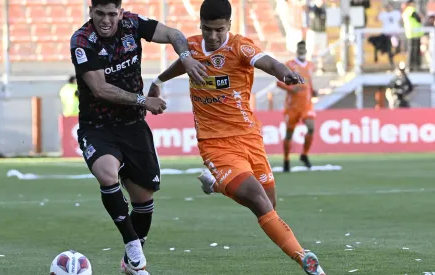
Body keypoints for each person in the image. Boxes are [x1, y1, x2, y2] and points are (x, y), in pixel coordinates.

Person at [148, 1, 326, 274]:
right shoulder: (192, 48)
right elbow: (181, 65)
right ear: (200, 25)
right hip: (215, 144)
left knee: (270, 204)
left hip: (249, 137)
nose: (213, 36)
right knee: (257, 200)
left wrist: (285, 73)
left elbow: (268, 62)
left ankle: (216, 184)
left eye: (219, 29)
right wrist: (158, 82)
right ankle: (304, 258)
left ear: (229, 25)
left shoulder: (240, 46)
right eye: (208, 29)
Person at [69, 1, 207, 274]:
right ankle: (132, 242)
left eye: (112, 14)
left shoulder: (133, 24)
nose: (106, 20)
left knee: (143, 201)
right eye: (100, 14)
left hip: (133, 126)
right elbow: (99, 88)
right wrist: (144, 100)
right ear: (90, 12)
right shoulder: (82, 41)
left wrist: (186, 56)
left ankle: (130, 261)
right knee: (107, 174)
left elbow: (173, 34)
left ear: (120, 12)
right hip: (98, 126)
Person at [276, 41, 317, 172]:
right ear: (296, 49)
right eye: (299, 48)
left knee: (311, 127)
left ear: (306, 50)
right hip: (292, 106)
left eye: (303, 48)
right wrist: (291, 88)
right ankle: (286, 160)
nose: (302, 50)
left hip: (307, 105)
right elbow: (279, 82)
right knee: (289, 134)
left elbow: (309, 82)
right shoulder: (289, 65)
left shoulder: (311, 65)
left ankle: (304, 155)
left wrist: (313, 90)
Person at [402, 0, 423, 71]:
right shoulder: (410, 9)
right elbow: (418, 19)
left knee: (411, 51)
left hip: (410, 34)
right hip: (414, 34)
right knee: (414, 52)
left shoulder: (405, 11)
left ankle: (411, 67)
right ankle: (415, 67)